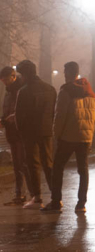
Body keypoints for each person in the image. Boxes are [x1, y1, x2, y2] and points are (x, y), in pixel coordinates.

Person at [45, 62, 95, 213]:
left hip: (68, 136)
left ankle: (56, 201)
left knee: (58, 167)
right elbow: (92, 118)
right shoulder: (90, 92)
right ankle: (81, 204)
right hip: (85, 137)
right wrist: (90, 137)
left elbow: (60, 115)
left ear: (67, 72)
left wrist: (56, 135)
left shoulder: (65, 91)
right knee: (83, 169)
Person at [14, 60, 56, 209]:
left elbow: (19, 116)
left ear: (25, 74)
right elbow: (53, 112)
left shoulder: (24, 91)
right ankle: (55, 196)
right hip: (46, 131)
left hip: (29, 133)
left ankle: (37, 197)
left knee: (33, 164)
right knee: (48, 164)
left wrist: (21, 133)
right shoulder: (50, 89)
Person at [1, 66, 32, 205]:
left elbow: (18, 112)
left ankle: (32, 194)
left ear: (13, 77)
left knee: (23, 164)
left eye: (6, 79)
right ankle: (20, 194)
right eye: (2, 80)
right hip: (11, 132)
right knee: (17, 164)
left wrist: (10, 119)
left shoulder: (20, 90)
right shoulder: (8, 92)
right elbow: (7, 111)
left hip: (19, 132)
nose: (4, 82)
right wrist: (3, 120)